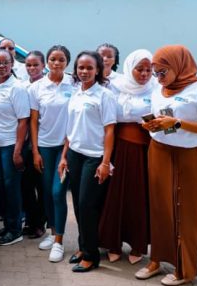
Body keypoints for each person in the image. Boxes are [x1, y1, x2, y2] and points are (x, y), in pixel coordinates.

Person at [135, 45, 197, 286]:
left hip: (188, 153)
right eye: (156, 72)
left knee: (187, 210)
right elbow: (160, 119)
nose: (158, 77)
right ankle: (156, 260)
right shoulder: (158, 89)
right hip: (159, 150)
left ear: (179, 66)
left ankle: (184, 269)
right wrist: (151, 125)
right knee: (159, 207)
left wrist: (177, 123)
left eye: (163, 72)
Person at [58, 51, 117, 272]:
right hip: (75, 154)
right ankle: (83, 247)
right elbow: (70, 129)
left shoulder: (105, 95)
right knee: (77, 205)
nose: (84, 71)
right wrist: (64, 156)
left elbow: (110, 130)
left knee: (87, 205)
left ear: (98, 70)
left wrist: (105, 162)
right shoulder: (75, 93)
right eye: (80, 67)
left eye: (89, 68)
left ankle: (91, 256)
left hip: (94, 157)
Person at [98, 49, 154, 265]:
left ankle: (138, 245)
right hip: (118, 148)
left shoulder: (156, 89)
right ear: (130, 68)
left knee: (138, 197)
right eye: (139, 69)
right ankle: (113, 243)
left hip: (144, 150)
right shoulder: (115, 87)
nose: (144, 74)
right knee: (114, 196)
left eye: (148, 69)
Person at [28, 45, 74, 262]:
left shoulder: (74, 84)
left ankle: (59, 242)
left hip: (66, 147)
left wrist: (66, 150)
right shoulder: (36, 87)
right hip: (44, 147)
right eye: (53, 59)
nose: (57, 63)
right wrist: (35, 151)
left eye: (61, 60)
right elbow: (33, 121)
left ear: (67, 62)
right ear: (47, 62)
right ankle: (52, 231)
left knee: (58, 192)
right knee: (46, 192)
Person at [0, 50, 30, 247]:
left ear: (12, 64)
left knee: (12, 188)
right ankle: (8, 226)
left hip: (10, 145)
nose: (1, 66)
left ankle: (15, 230)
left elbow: (23, 121)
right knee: (2, 187)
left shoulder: (17, 88)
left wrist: (18, 151)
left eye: (5, 62)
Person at [20, 50, 47, 240]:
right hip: (24, 143)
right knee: (26, 185)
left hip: (41, 142)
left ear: (43, 65)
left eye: (36, 65)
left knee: (42, 186)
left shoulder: (47, 86)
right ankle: (30, 221)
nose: (32, 68)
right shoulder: (22, 86)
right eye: (28, 65)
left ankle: (40, 224)